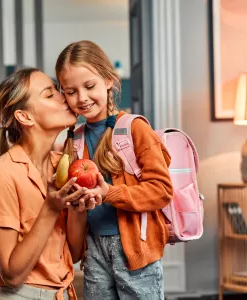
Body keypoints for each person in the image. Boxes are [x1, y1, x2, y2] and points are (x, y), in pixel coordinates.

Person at [56, 40, 173, 300]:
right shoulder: (74, 139)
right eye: (70, 91)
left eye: (89, 86)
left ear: (109, 80)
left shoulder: (134, 128)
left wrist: (109, 192)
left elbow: (162, 191)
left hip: (136, 250)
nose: (82, 98)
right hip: (94, 249)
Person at [0, 68, 101, 300]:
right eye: (49, 93)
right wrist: (51, 208)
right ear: (25, 116)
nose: (64, 96)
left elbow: (71, 254)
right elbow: (11, 274)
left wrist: (79, 208)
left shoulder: (63, 165)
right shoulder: (0, 174)